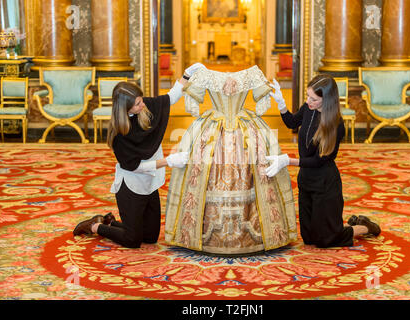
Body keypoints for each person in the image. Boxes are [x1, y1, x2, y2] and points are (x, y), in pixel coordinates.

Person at [164, 65, 297, 255]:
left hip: (215, 126)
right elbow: (261, 103)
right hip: (240, 125)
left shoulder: (235, 74)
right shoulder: (249, 73)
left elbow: (193, 102)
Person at [73, 63, 205, 248]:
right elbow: (136, 167)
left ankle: (111, 222)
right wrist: (167, 161)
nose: (143, 104)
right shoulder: (118, 135)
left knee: (150, 237)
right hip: (131, 187)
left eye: (141, 100)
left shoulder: (144, 108)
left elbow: (171, 97)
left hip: (149, 184)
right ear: (125, 108)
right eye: (137, 103)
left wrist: (186, 75)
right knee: (133, 240)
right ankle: (95, 226)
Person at [267, 75, 381, 248]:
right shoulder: (308, 108)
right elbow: (292, 123)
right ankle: (345, 225)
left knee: (325, 239)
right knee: (309, 238)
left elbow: (318, 161)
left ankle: (365, 227)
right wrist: (281, 103)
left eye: (313, 99)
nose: (308, 101)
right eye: (307, 96)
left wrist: (288, 161)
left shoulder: (336, 125)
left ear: (326, 100)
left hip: (325, 183)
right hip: (306, 180)